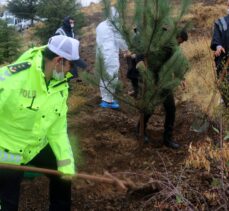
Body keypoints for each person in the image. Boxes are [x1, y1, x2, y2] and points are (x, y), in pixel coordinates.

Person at [0, 35, 81, 211]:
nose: (71, 73)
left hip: (36, 145)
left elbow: (58, 129)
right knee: (7, 203)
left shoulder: (60, 86)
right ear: (58, 60)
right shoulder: (12, 78)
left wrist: (65, 164)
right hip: (7, 152)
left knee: (62, 175)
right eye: (71, 66)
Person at [126, 29, 188, 149]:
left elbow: (175, 62)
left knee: (171, 108)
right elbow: (143, 49)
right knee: (150, 106)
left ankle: (167, 138)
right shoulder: (159, 39)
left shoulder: (174, 48)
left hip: (165, 80)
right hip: (152, 78)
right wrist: (139, 61)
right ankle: (140, 130)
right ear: (176, 36)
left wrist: (181, 77)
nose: (179, 44)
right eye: (180, 41)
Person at [96, 7, 128, 109]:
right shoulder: (114, 25)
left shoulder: (100, 26)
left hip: (101, 55)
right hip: (110, 55)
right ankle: (108, 101)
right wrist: (127, 49)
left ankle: (105, 98)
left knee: (103, 76)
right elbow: (120, 39)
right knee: (112, 76)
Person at [55, 16, 87, 81]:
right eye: (70, 22)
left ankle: (70, 81)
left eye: (73, 22)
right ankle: (62, 82)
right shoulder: (59, 31)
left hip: (70, 54)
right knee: (62, 73)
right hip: (61, 56)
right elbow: (56, 44)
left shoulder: (71, 31)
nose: (72, 24)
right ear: (66, 22)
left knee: (73, 71)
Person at [210, 1, 229, 106]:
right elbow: (216, 40)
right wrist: (218, 46)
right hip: (224, 63)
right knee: (225, 92)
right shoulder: (221, 22)